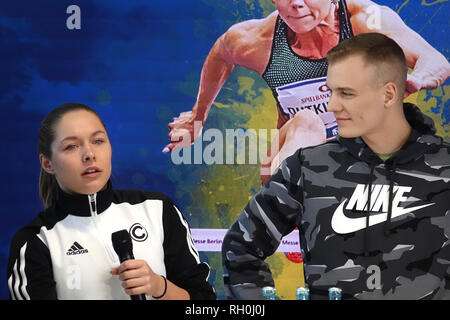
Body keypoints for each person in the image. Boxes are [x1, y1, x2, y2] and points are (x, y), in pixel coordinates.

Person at [221, 33, 450, 300]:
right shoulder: (307, 166)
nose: (331, 105)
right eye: (330, 91)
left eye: (346, 93)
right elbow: (240, 246)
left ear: (388, 94)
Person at [164, 0, 450, 184]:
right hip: (296, 171)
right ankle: (288, 208)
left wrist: (418, 80)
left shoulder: (366, 20)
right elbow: (221, 53)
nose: (296, 4)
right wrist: (198, 117)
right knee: (306, 121)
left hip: (366, 163)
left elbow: (435, 60)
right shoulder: (257, 40)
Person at [7, 103, 216, 300]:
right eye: (71, 146)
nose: (89, 154)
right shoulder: (36, 240)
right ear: (47, 163)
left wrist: (158, 286)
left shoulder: (158, 209)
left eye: (98, 141)